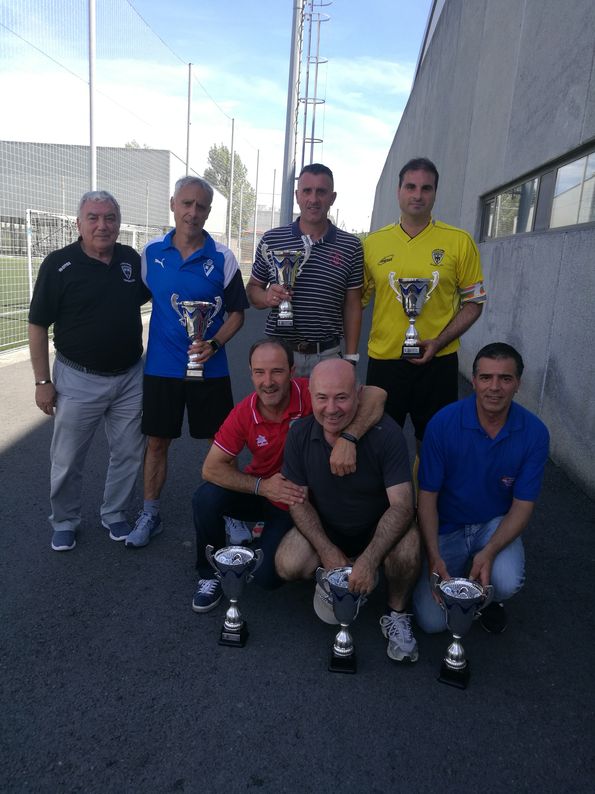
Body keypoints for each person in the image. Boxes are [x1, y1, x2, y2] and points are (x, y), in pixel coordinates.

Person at [191, 338, 387, 612]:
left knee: (266, 578)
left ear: (292, 372)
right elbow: (210, 468)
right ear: (250, 374)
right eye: (259, 372)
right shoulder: (244, 412)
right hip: (263, 490)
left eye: (277, 371)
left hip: (296, 500)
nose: (268, 382)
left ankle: (298, 553)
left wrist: (349, 438)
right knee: (205, 498)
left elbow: (377, 394)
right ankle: (209, 574)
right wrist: (262, 486)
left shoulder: (309, 393)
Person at [125, 176, 249, 548]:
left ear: (208, 212)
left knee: (221, 443)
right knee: (157, 442)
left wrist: (214, 342)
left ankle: (231, 513)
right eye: (186, 203)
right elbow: (130, 299)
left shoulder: (223, 257)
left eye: (201, 206)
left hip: (211, 367)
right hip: (162, 367)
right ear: (173, 204)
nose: (193, 212)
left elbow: (237, 314)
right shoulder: (151, 254)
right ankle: (150, 513)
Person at [275, 359, 421, 663]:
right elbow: (297, 500)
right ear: (310, 395)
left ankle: (396, 612)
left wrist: (370, 558)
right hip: (329, 528)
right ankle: (337, 573)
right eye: (322, 397)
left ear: (358, 394)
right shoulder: (300, 433)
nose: (331, 408)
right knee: (287, 563)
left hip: (377, 530)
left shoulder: (387, 433)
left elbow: (402, 506)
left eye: (341, 397)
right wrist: (326, 549)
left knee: (408, 547)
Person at [28, 190, 150, 551]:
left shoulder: (130, 260)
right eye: (93, 218)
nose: (102, 225)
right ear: (79, 224)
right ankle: (64, 520)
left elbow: (149, 296)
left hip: (130, 377)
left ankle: (114, 513)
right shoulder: (58, 264)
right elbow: (37, 325)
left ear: (118, 223)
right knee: (67, 459)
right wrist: (42, 381)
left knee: (129, 453)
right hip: (77, 379)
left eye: (110, 218)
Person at [412, 343, 550, 634]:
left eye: (505, 378)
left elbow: (522, 506)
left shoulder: (535, 433)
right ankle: (464, 579)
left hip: (492, 524)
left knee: (508, 581)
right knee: (431, 622)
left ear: (518, 384)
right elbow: (427, 497)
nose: (494, 387)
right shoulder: (443, 424)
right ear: (473, 381)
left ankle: (488, 596)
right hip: (447, 526)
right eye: (486, 377)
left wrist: (490, 551)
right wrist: (433, 555)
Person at [363, 157, 487, 446]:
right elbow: (356, 301)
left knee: (435, 444)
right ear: (398, 191)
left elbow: (474, 302)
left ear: (435, 193)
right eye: (411, 187)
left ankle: (427, 480)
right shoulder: (372, 244)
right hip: (385, 361)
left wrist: (439, 342)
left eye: (426, 188)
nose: (417, 195)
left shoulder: (459, 241)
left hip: (438, 362)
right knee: (378, 444)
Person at [247, 163, 363, 376]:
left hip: (327, 355)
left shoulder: (351, 246)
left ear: (332, 198)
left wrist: (351, 358)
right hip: (280, 355)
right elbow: (253, 288)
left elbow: (353, 304)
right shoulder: (272, 240)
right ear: (297, 196)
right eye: (307, 191)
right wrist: (267, 297)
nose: (313, 199)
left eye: (321, 192)